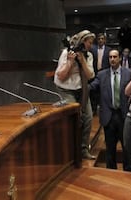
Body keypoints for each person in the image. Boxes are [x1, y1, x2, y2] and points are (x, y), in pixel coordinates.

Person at [54, 30, 96, 159]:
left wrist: (82, 60)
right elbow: (60, 76)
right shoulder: (67, 53)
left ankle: (83, 149)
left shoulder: (88, 55)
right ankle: (70, 150)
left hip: (81, 89)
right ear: (83, 42)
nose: (91, 45)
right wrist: (70, 62)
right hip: (66, 89)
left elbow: (90, 76)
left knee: (88, 117)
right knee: (75, 117)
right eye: (89, 42)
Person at [89, 49, 131, 169]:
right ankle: (111, 173)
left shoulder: (128, 73)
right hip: (109, 116)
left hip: (124, 115)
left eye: (115, 57)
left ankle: (128, 172)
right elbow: (92, 87)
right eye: (110, 57)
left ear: (119, 58)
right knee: (110, 149)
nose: (112, 59)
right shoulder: (102, 75)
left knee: (126, 147)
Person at [90, 33, 111, 115]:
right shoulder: (93, 49)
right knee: (94, 92)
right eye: (99, 39)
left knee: (104, 92)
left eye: (102, 39)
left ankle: (104, 110)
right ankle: (94, 109)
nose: (100, 40)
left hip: (105, 73)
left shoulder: (109, 50)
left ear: (105, 40)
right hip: (94, 72)